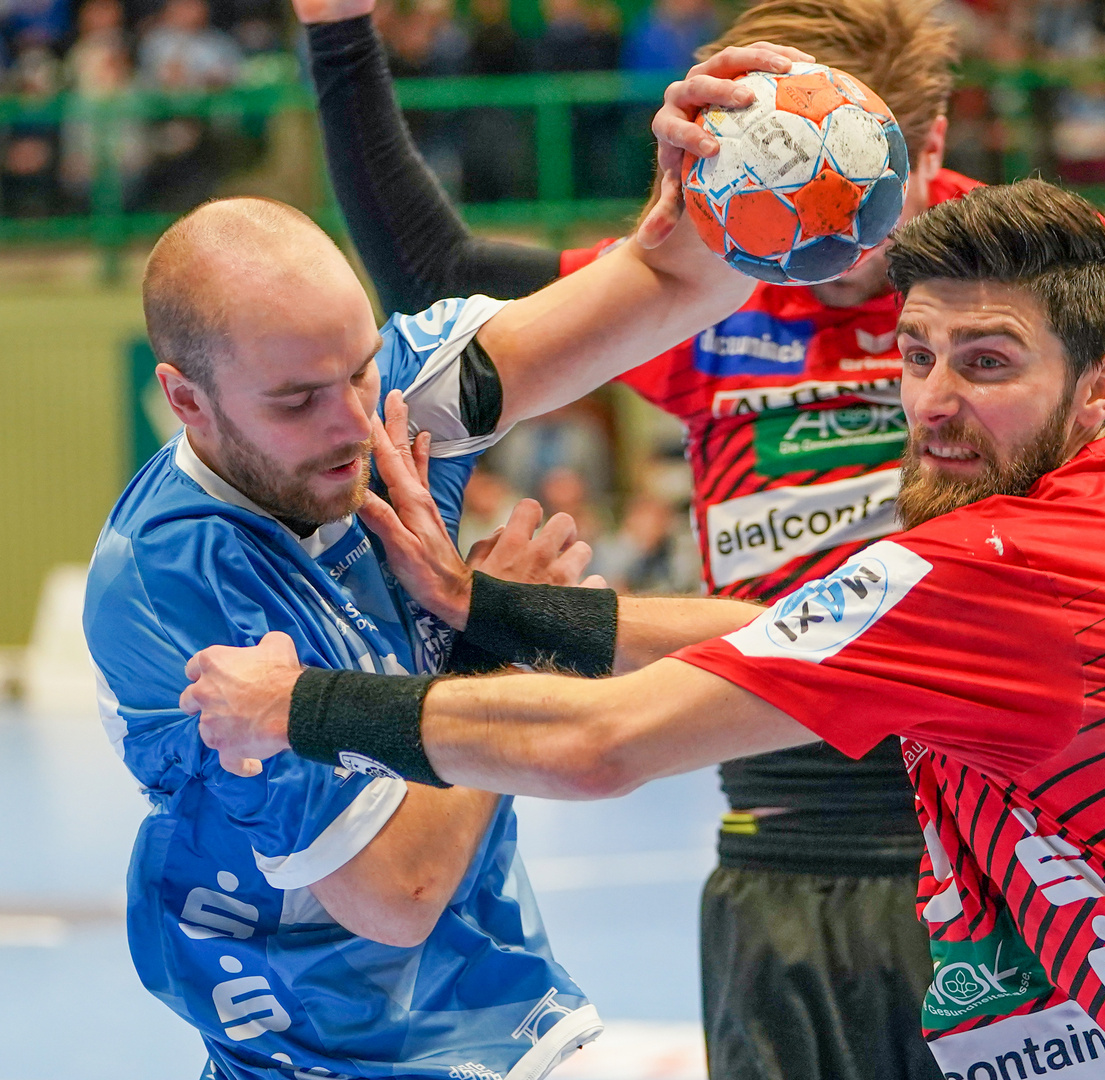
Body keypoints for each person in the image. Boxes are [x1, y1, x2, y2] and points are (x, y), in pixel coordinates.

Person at [295, 0, 1105, 1075]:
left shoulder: (1019, 281)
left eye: (851, 188)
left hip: (1008, 841)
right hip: (780, 835)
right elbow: (446, 282)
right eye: (775, 184)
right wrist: (342, 30)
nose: (821, 244)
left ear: (922, 144)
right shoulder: (704, 274)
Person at [81, 46, 788, 1080]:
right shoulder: (174, 584)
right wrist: (507, 638)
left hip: (502, 1019)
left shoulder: (395, 408)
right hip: (332, 1050)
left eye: (360, 367)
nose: (352, 419)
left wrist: (721, 166)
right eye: (296, 399)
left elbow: (667, 281)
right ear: (187, 399)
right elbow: (395, 892)